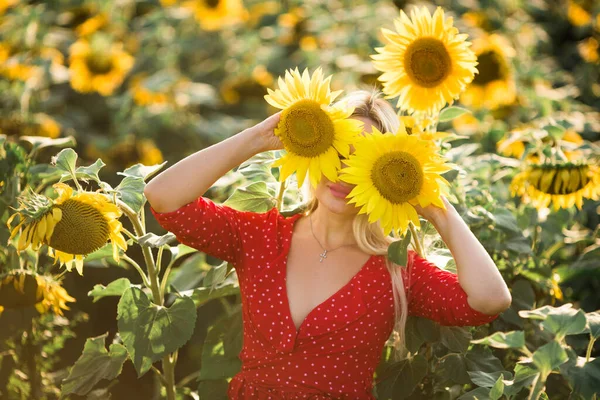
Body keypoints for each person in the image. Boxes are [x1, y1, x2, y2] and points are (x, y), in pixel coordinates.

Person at [144, 89, 512, 399]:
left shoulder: (396, 270)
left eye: (363, 162)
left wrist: (436, 207)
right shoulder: (259, 236)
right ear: (312, 150)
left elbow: (488, 301)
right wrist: (258, 139)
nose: (343, 174)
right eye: (337, 153)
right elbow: (164, 198)